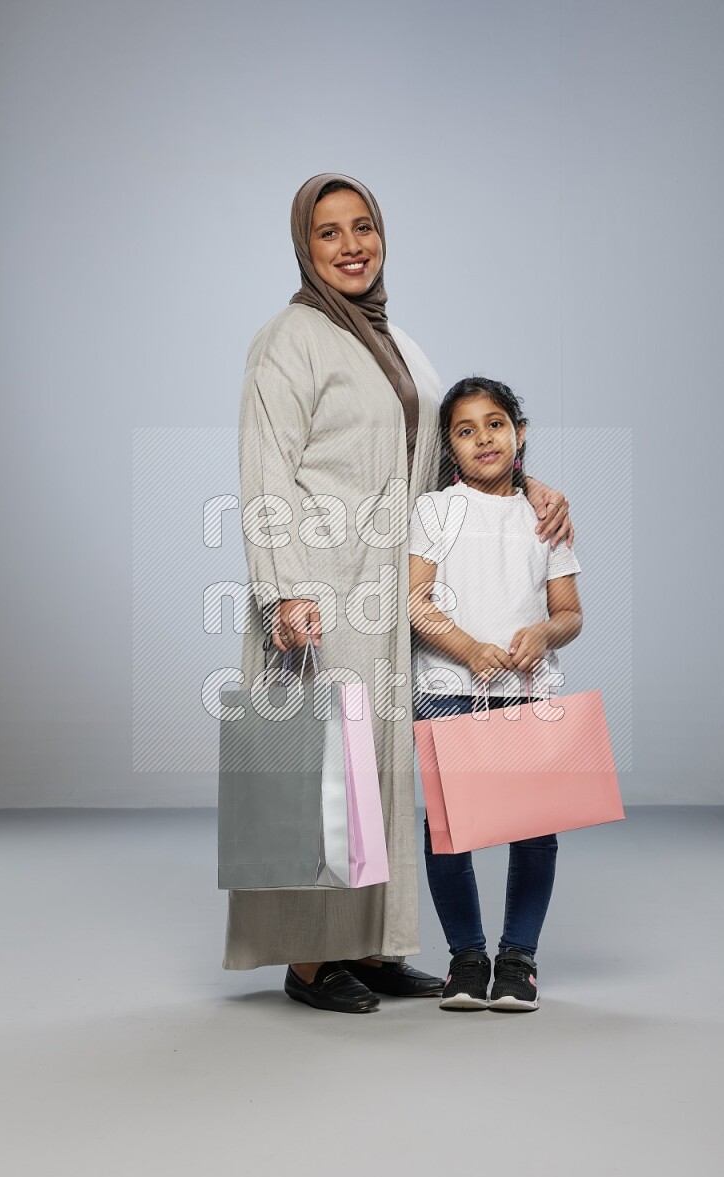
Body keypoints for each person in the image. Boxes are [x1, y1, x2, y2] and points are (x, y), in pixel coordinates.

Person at [225, 175, 574, 1014]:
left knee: (380, 776)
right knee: (318, 773)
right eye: (328, 233)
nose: (351, 246)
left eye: (364, 227)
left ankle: (369, 946)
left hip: (393, 593)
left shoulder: (401, 344)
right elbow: (264, 470)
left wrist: (527, 488)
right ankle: (309, 960)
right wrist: (284, 595)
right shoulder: (289, 339)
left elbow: (458, 456)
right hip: (318, 587)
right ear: (304, 249)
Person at [409, 376, 583, 1011]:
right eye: (464, 429)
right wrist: (467, 649)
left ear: (520, 432)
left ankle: (518, 959)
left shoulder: (545, 516)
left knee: (535, 831)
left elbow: (570, 612)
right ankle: (466, 956)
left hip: (530, 692)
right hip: (451, 690)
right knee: (449, 832)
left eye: (495, 423)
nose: (483, 438)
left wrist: (544, 630)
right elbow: (411, 600)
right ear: (449, 447)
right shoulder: (434, 511)